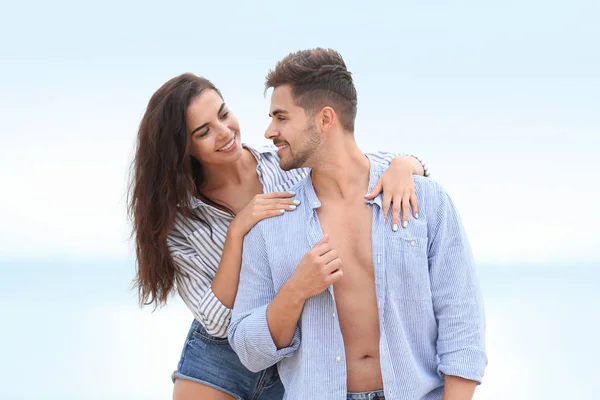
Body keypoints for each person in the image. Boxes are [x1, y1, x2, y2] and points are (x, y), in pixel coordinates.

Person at [128, 72, 429, 400]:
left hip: (298, 345)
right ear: (183, 148)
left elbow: (369, 167)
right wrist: (238, 230)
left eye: (224, 114)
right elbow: (217, 322)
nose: (224, 131)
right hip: (221, 357)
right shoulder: (180, 219)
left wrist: (404, 164)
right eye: (203, 131)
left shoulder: (288, 167)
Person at [228, 49, 487, 400]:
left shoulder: (424, 201)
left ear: (325, 119)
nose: (269, 131)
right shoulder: (273, 221)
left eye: (281, 117)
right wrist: (295, 290)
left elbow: (461, 319)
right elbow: (248, 349)